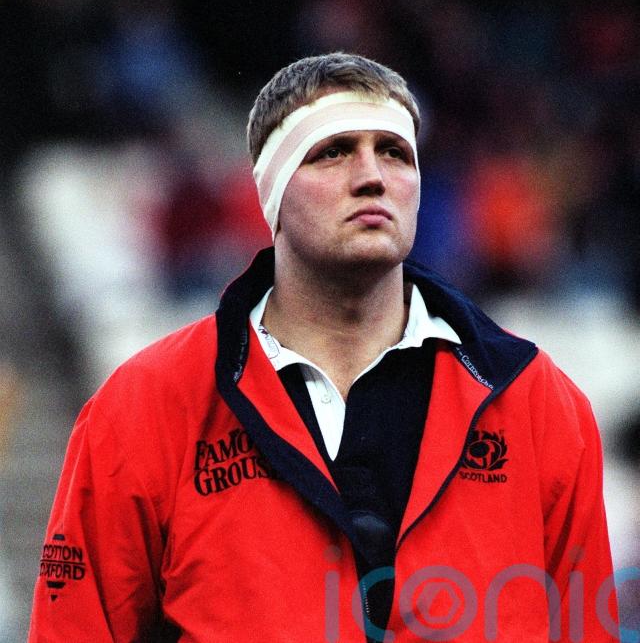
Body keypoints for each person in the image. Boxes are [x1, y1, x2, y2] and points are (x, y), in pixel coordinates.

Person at [29, 52, 619, 642]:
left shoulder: (537, 403)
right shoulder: (148, 405)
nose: (372, 177)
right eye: (333, 152)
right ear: (272, 191)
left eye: (395, 152)